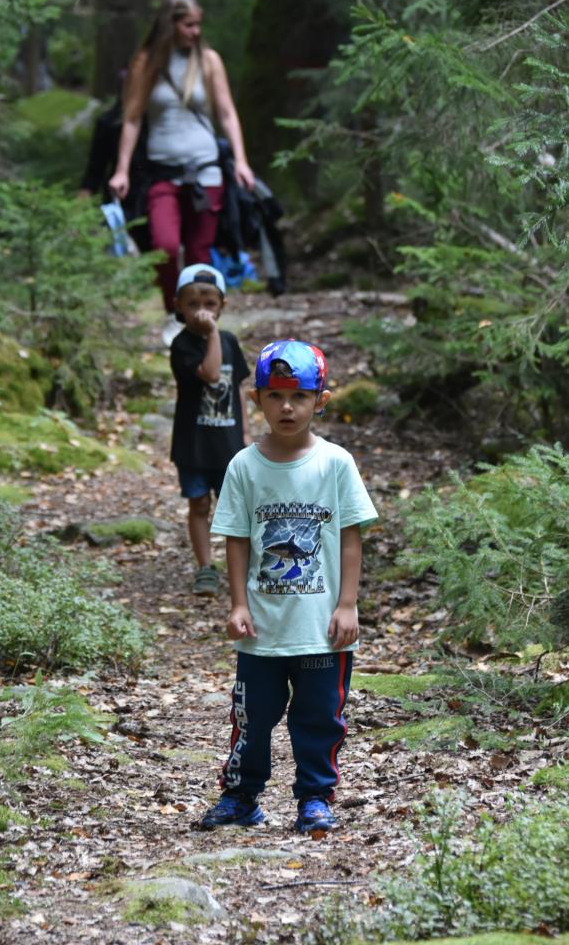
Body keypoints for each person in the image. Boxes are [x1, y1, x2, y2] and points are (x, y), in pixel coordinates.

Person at [199, 340, 378, 833]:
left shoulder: (335, 463)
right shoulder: (244, 466)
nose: (287, 407)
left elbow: (350, 537)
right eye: (275, 396)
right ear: (256, 399)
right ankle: (241, 797)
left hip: (322, 628)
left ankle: (315, 799)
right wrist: (238, 603)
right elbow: (237, 538)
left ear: (320, 400)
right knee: (252, 717)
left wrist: (347, 604)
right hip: (262, 629)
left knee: (320, 717)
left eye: (299, 396)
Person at [108, 0, 254, 346]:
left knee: (201, 253)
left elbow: (227, 113)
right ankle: (174, 313)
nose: (195, 32)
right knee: (166, 246)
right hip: (162, 171)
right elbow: (132, 118)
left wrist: (241, 161)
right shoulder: (146, 63)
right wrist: (122, 169)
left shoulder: (208, 61)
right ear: (170, 24)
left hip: (206, 171)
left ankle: (204, 323)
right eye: (188, 25)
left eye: (198, 25)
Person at [170, 263, 251, 597]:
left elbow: (238, 388)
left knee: (236, 509)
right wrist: (212, 334)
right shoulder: (182, 344)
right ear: (178, 305)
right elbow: (212, 373)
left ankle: (242, 567)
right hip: (193, 444)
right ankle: (206, 567)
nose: (202, 311)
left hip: (227, 443)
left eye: (209, 304)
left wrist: (246, 434)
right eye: (192, 304)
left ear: (222, 306)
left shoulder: (230, 340)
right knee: (199, 504)